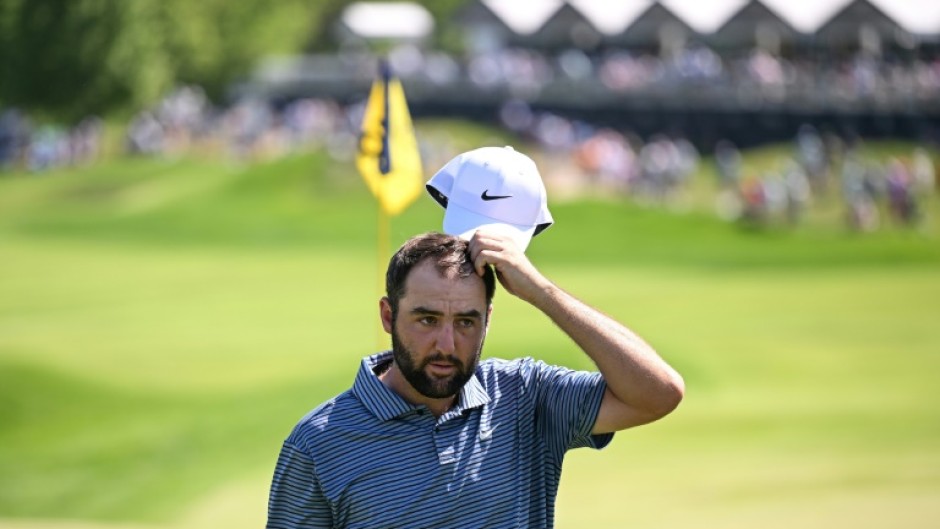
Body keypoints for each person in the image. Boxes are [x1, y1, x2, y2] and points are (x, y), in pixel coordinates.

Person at [265, 229, 685, 529]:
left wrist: (539, 290)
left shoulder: (525, 395)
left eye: (466, 321)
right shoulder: (318, 444)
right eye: (427, 319)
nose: (446, 344)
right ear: (388, 317)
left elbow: (658, 393)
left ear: (488, 320)